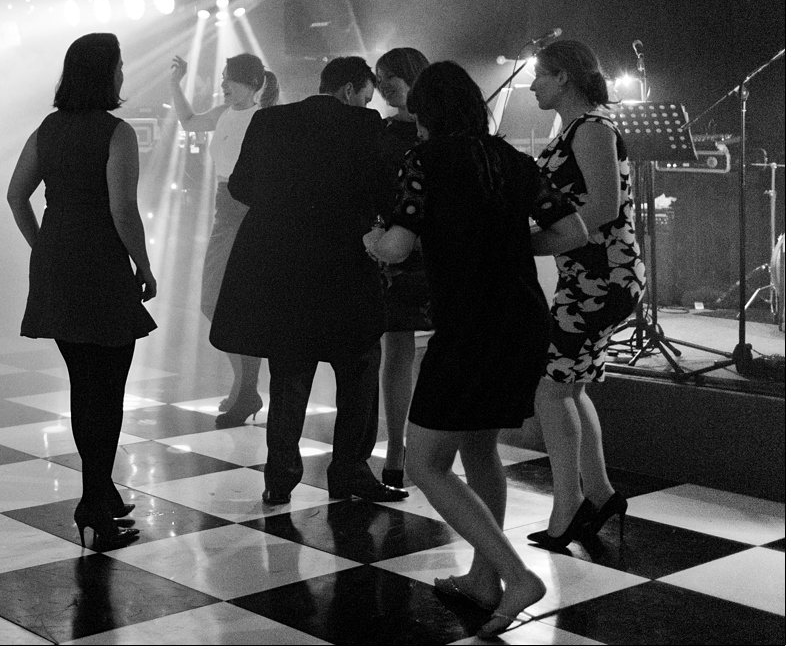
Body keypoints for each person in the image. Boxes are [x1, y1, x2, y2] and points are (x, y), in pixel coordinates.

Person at [365, 61, 588, 638]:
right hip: (521, 320)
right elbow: (572, 234)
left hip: (470, 325)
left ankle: (517, 577)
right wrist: (508, 243)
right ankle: (482, 580)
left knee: (424, 463)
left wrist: (366, 238)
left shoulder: (425, 161)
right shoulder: (511, 159)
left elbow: (394, 247)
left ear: (429, 112)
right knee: (481, 450)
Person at [211, 56, 407, 505]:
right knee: (357, 368)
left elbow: (240, 187)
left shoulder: (268, 119)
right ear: (350, 89)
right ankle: (350, 471)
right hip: (344, 263)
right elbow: (386, 194)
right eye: (365, 94)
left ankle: (280, 477)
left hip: (281, 265)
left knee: (289, 372)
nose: (366, 102)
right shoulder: (366, 125)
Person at [8, 33, 155, 552]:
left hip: (57, 262)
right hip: (101, 264)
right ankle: (92, 503)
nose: (122, 74)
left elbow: (14, 194)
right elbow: (122, 211)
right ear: (105, 74)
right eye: (119, 65)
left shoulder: (48, 128)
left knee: (82, 385)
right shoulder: (117, 133)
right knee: (107, 391)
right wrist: (145, 265)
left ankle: (101, 492)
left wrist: (41, 244)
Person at [527, 39, 646, 547]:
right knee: (569, 387)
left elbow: (603, 208)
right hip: (594, 279)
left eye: (539, 75)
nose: (532, 84)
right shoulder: (579, 128)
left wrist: (532, 242)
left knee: (551, 389)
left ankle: (569, 508)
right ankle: (599, 495)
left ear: (563, 78)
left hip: (604, 280)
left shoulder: (593, 129)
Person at [168, 51, 279, 427]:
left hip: (250, 211)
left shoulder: (265, 118)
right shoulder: (223, 113)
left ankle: (246, 390)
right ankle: (245, 385)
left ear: (250, 82)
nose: (223, 85)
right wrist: (174, 83)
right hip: (225, 209)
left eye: (228, 79)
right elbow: (187, 122)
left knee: (238, 304)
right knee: (214, 302)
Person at [373, 47, 433, 489]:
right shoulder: (381, 129)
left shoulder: (441, 130)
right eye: (377, 77)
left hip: (437, 247)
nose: (381, 85)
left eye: (389, 77)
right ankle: (396, 451)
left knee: (427, 351)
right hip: (396, 246)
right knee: (396, 349)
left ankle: (431, 451)